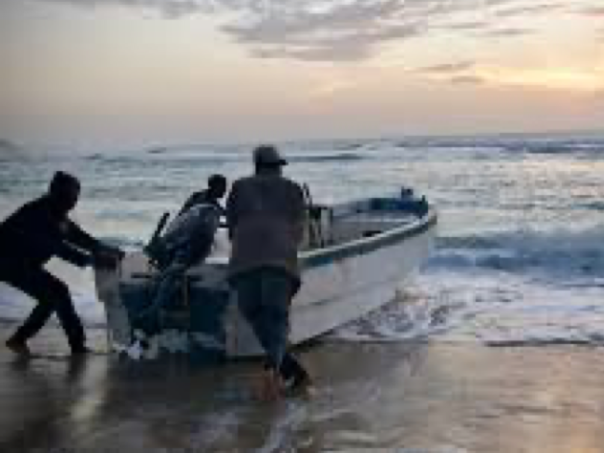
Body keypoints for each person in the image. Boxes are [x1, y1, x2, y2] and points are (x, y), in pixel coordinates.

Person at [0, 171, 123, 356]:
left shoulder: (57, 213)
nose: (74, 202)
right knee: (55, 294)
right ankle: (75, 347)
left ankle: (21, 340)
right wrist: (94, 260)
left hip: (23, 261)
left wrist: (112, 251)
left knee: (54, 295)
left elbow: (81, 238)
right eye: (71, 196)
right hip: (7, 262)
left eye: (76, 197)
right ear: (57, 194)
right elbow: (60, 249)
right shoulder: (39, 213)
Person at [227, 145, 311, 397]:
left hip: (244, 262)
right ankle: (272, 369)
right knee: (277, 319)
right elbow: (299, 232)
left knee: (256, 316)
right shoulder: (294, 189)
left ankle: (291, 372)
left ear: (256, 165)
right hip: (280, 261)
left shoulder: (239, 187)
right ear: (277, 166)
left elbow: (231, 228)